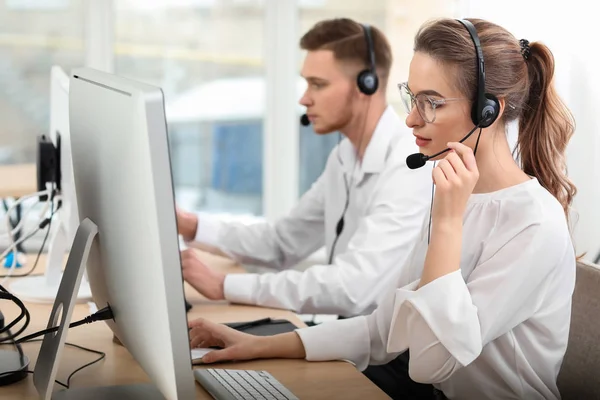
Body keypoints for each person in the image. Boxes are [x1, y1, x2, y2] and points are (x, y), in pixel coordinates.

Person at [187, 17, 578, 400]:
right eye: (413, 97)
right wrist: (256, 344)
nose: (410, 118)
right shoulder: (456, 194)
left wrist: (445, 222)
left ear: (488, 112)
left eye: (431, 103)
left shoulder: (532, 224)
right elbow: (384, 328)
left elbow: (431, 363)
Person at [177, 18, 433, 318]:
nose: (304, 98)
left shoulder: (408, 164)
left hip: (391, 357)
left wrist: (225, 285)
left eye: (318, 84)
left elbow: (353, 289)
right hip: (350, 340)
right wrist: (189, 224)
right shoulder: (344, 157)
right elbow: (280, 243)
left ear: (367, 84)